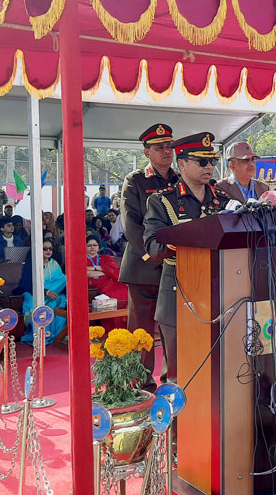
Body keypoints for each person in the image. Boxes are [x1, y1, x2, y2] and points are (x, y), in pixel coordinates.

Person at [144, 132, 230, 384]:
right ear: (181, 164)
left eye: (212, 161)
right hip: (178, 295)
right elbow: (151, 246)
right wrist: (181, 238)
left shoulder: (223, 200)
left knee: (217, 370)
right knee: (178, 374)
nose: (209, 167)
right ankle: (177, 423)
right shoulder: (162, 201)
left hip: (220, 294)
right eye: (202, 162)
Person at [120, 123, 178, 388]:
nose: (167, 152)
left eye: (169, 146)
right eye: (160, 148)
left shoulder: (180, 179)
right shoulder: (136, 181)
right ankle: (140, 383)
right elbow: (131, 224)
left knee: (172, 328)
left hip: (176, 266)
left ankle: (172, 380)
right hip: (145, 266)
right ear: (147, 152)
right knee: (141, 330)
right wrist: (153, 255)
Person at [17, 238, 68, 346]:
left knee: (61, 299)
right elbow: (26, 284)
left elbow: (62, 281)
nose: (48, 251)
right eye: (44, 249)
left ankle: (58, 335)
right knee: (35, 305)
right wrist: (45, 291)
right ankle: (41, 335)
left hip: (54, 294)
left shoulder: (54, 264)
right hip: (33, 293)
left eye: (50, 248)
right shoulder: (32, 264)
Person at [85, 236, 127, 331]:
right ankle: (112, 329)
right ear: (85, 247)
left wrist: (93, 268)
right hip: (96, 285)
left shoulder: (106, 257)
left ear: (99, 247)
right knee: (111, 294)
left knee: (122, 290)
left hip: (111, 282)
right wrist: (104, 270)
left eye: (95, 245)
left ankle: (123, 327)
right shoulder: (82, 259)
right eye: (89, 245)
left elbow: (115, 271)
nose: (92, 247)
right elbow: (86, 273)